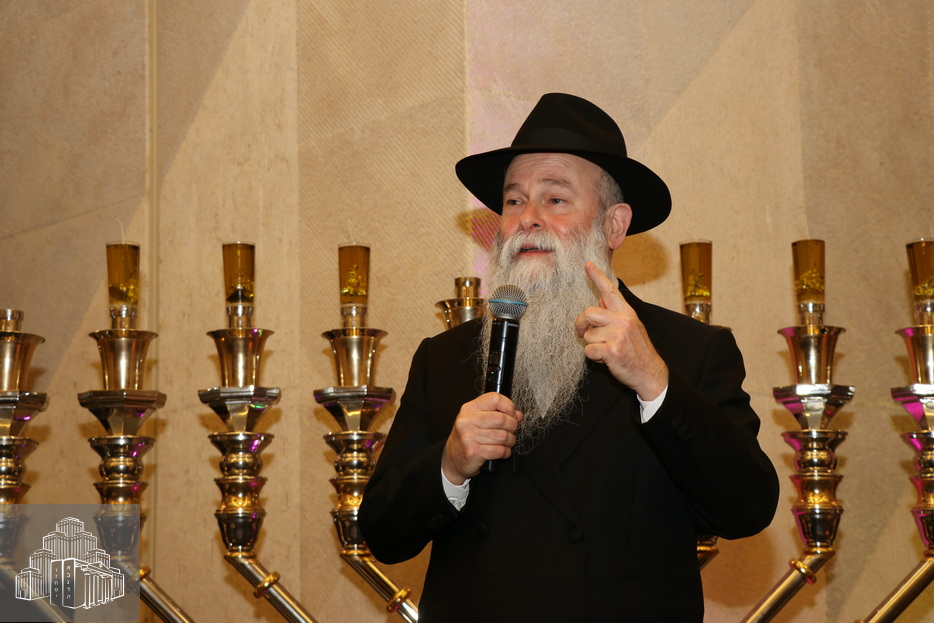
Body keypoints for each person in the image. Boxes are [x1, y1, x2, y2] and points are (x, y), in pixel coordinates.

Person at [359, 93, 779, 622]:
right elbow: (382, 534)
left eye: (555, 199)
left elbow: (746, 509)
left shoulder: (688, 351)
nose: (527, 219)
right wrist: (449, 465)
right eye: (514, 201)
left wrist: (655, 384)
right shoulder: (445, 357)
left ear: (613, 225)